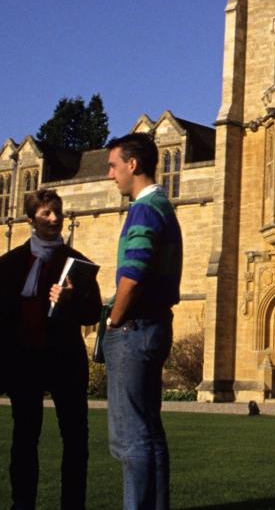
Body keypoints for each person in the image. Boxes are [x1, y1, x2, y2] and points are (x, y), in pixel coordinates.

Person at [0, 189, 102, 510]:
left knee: (76, 441)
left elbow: (93, 314)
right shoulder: (8, 264)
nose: (54, 219)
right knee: (24, 439)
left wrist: (71, 301)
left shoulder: (79, 264)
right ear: (30, 220)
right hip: (25, 361)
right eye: (47, 213)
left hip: (65, 362)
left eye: (58, 212)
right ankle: (22, 504)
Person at [103, 133, 182, 510]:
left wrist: (115, 320)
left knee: (129, 437)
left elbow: (132, 275)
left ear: (132, 165)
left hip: (135, 328)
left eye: (113, 166)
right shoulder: (164, 206)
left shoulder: (145, 209)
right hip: (154, 326)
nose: (109, 175)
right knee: (148, 433)